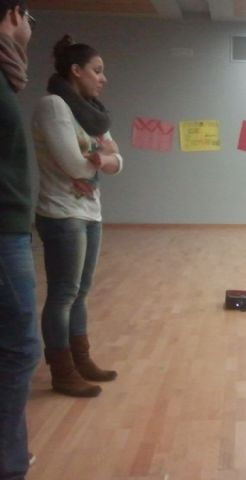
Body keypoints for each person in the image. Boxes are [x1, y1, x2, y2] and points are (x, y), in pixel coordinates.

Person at [32, 34, 123, 397]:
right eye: (97, 70)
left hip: (90, 211)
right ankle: (62, 370)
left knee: (81, 292)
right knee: (64, 293)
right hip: (61, 212)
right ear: (76, 70)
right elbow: (72, 163)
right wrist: (102, 158)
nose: (103, 78)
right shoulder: (53, 106)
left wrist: (102, 159)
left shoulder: (92, 113)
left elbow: (119, 161)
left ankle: (81, 359)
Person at [0, 2, 39, 478]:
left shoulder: (7, 74)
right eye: (31, 16)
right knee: (20, 348)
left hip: (12, 228)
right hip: (4, 232)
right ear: (14, 14)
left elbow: (110, 158)